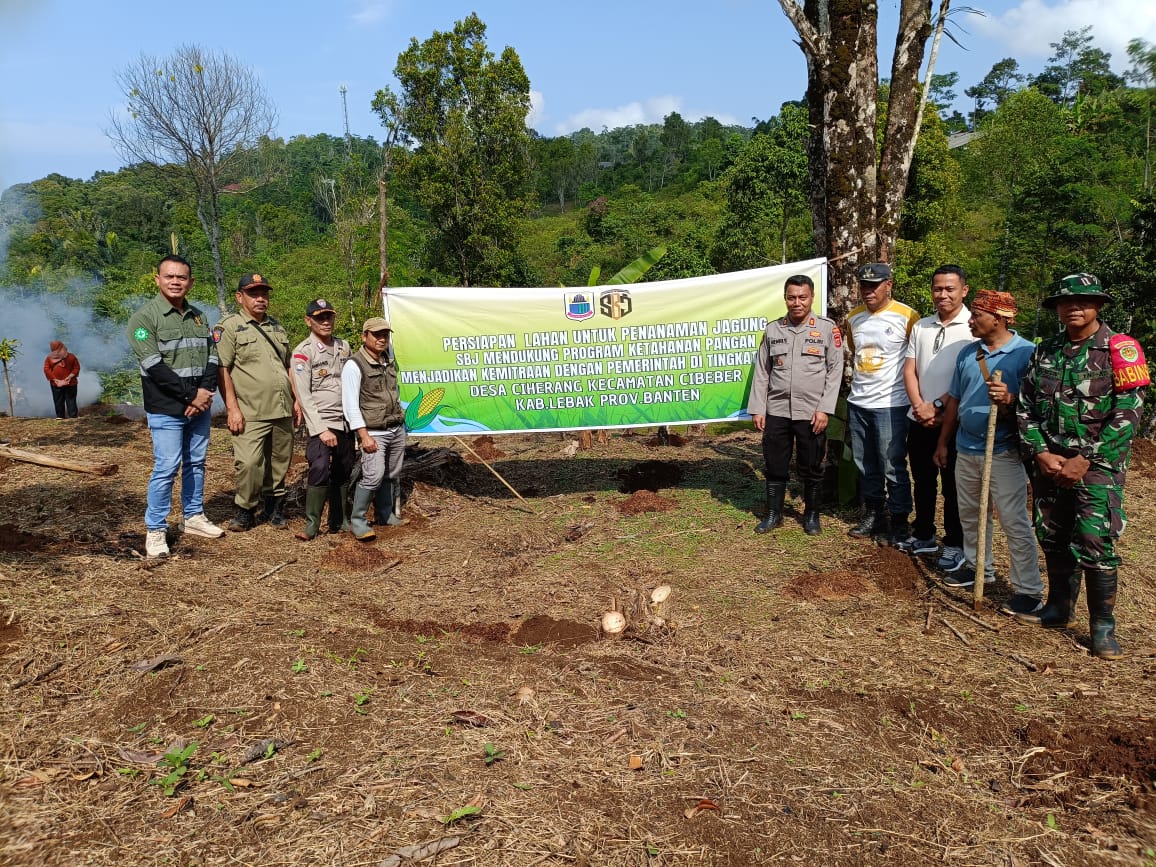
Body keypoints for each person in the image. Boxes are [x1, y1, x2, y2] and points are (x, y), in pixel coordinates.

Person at [1015, 273, 1148, 659]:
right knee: (1052, 535)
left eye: (1084, 301)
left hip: (1096, 466)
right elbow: (1025, 408)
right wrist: (1040, 452)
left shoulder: (1120, 349)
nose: (1074, 307)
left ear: (1098, 306)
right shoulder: (1045, 351)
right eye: (1065, 301)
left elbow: (1129, 413)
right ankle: (1058, 609)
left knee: (1095, 540)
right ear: (1056, 308)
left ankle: (1103, 628)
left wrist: (1085, 458)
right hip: (1050, 463)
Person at [933, 290, 1043, 615]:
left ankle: (1028, 591)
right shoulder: (969, 353)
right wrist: (943, 442)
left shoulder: (1027, 354)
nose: (970, 320)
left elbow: (1038, 405)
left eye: (977, 315)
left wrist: (1011, 400)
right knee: (970, 513)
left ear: (998, 318)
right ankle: (978, 566)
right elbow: (954, 400)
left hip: (1004, 449)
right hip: (966, 447)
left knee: (1013, 520)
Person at [127, 255, 223, 558]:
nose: (175, 282)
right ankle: (155, 529)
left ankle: (193, 516)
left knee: (196, 463)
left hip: (199, 406)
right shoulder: (143, 319)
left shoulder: (199, 317)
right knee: (167, 467)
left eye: (181, 277)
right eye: (169, 276)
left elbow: (212, 356)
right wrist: (190, 397)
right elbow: (154, 366)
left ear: (190, 282)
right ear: (157, 279)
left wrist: (206, 392)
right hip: (167, 408)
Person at [748, 274, 844, 534]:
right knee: (775, 464)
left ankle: (811, 515)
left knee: (811, 465)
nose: (797, 302)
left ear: (812, 297)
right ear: (785, 299)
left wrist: (825, 408)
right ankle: (773, 514)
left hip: (811, 411)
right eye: (792, 297)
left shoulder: (826, 329)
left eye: (802, 297)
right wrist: (758, 408)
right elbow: (762, 371)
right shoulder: (773, 329)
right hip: (777, 409)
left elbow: (835, 370)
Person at [214, 273, 297, 532]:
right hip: (250, 411)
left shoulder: (277, 327)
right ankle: (245, 509)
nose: (261, 299)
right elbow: (222, 369)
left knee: (280, 460)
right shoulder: (228, 327)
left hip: (281, 407)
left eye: (264, 294)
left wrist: (297, 400)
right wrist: (232, 408)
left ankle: (274, 508)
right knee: (249, 463)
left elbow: (288, 366)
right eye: (253, 294)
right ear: (240, 297)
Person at [845, 262, 920, 545]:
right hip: (858, 402)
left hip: (892, 404)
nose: (868, 291)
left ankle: (900, 521)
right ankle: (874, 514)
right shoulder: (853, 318)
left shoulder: (907, 316)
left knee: (892, 465)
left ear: (889, 284)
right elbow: (855, 351)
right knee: (865, 464)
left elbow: (915, 358)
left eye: (874, 285)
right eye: (864, 285)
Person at [902, 265, 972, 569]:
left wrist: (938, 408)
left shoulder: (974, 326)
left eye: (949, 289)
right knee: (923, 479)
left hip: (954, 421)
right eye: (937, 289)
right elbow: (909, 369)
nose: (942, 295)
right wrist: (920, 405)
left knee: (954, 485)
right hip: (918, 418)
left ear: (964, 290)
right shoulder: (922, 326)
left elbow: (965, 378)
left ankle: (955, 542)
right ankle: (924, 533)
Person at [290, 298, 354, 541]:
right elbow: (304, 395)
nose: (326, 322)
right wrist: (320, 429)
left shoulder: (344, 346)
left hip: (345, 420)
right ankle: (312, 524)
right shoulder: (303, 352)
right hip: (322, 421)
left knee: (343, 468)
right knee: (318, 468)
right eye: (319, 318)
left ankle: (339, 520)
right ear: (309, 321)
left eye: (329, 317)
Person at [341, 316, 406, 541]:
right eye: (376, 334)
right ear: (364, 336)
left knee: (391, 473)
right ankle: (358, 520)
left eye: (385, 335)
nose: (381, 339)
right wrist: (363, 435)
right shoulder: (354, 364)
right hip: (373, 430)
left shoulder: (389, 360)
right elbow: (350, 404)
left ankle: (385, 514)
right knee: (373, 476)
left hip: (395, 427)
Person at [43, 340, 80, 418]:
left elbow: (76, 367)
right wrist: (55, 379)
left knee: (70, 400)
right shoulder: (49, 358)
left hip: (70, 382)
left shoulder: (71, 357)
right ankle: (60, 417)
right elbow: (47, 369)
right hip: (56, 383)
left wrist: (69, 377)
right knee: (59, 400)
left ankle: (73, 417)